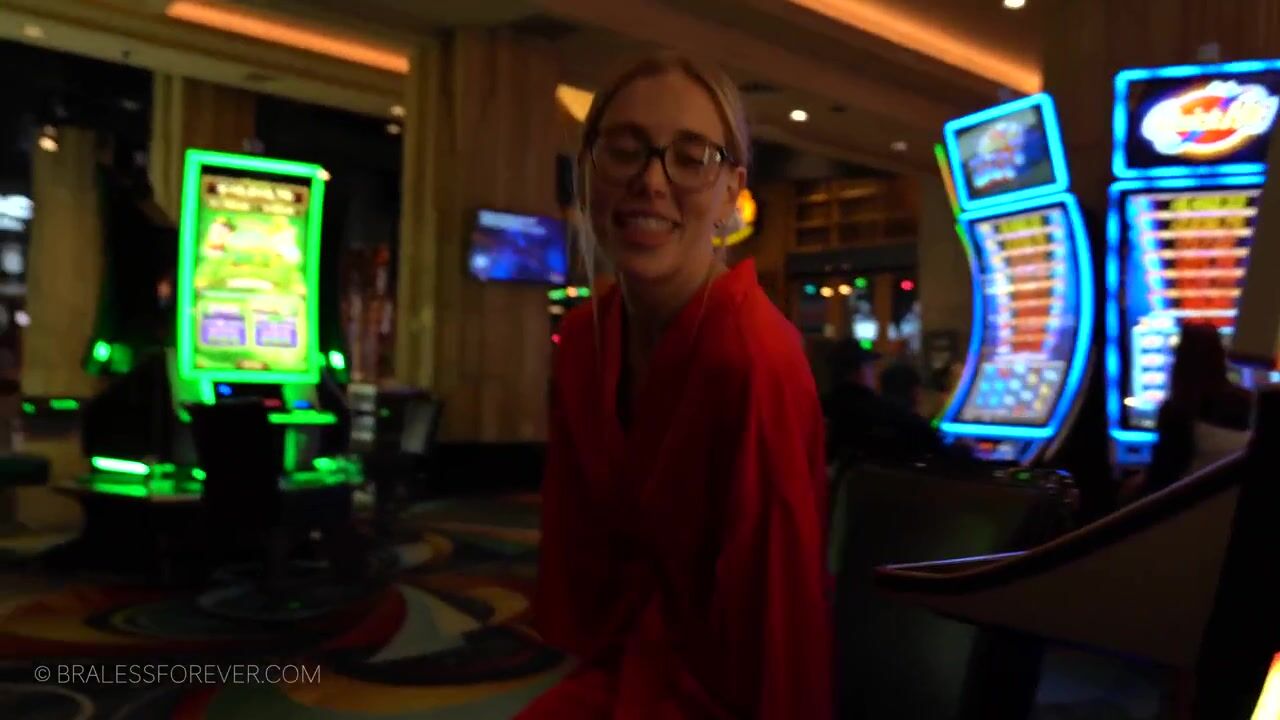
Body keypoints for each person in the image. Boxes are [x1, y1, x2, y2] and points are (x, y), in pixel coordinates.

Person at [523, 53, 832, 719]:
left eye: (691, 159)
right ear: (587, 170)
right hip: (622, 668)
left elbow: (778, 632)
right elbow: (579, 583)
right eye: (624, 150)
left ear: (731, 193)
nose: (651, 181)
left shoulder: (754, 358)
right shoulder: (583, 339)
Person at [1137, 322, 1252, 497]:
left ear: (1180, 359)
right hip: (1234, 496)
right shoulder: (1245, 401)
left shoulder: (1176, 412)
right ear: (1220, 355)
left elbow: (1163, 478)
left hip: (1189, 502)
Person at [822, 341, 957, 467]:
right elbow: (931, 439)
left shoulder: (823, 406)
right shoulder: (880, 411)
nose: (874, 372)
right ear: (859, 370)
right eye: (870, 366)